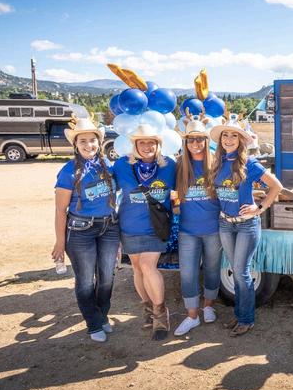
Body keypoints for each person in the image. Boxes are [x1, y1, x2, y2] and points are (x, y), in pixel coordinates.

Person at [209, 113, 282, 337]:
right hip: (225, 224)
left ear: (241, 140)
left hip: (246, 225)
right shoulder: (217, 163)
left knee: (241, 272)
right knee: (236, 271)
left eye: (234, 136)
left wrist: (259, 208)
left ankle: (246, 319)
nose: (229, 139)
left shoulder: (249, 163)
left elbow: (276, 187)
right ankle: (240, 314)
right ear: (220, 140)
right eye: (225, 135)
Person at [52, 118, 119, 343]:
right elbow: (60, 210)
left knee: (107, 278)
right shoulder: (68, 171)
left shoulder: (107, 165)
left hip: (109, 227)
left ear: (99, 142)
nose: (88, 145)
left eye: (92, 140)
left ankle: (101, 315)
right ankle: (93, 323)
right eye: (83, 141)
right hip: (81, 231)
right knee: (86, 281)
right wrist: (60, 242)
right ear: (76, 144)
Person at [113, 124, 176, 340]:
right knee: (138, 268)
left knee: (148, 266)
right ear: (135, 145)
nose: (147, 146)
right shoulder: (122, 165)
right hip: (129, 226)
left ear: (158, 144)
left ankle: (161, 314)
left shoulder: (169, 165)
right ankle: (147, 308)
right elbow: (105, 187)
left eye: (152, 142)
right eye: (142, 142)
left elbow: (187, 185)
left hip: (155, 227)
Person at [173, 114, 223, 336]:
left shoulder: (217, 163)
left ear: (206, 140)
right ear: (185, 142)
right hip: (188, 231)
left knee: (212, 269)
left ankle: (208, 306)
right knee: (188, 273)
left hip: (214, 229)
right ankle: (192, 316)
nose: (195, 143)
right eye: (191, 139)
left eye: (200, 139)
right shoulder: (179, 165)